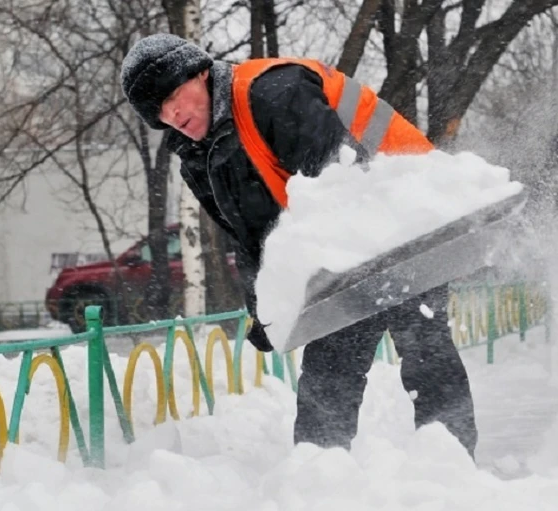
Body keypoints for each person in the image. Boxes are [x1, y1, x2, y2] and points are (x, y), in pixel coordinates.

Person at [120, 33, 478, 458]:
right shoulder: (202, 157)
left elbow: (341, 181)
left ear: (200, 73)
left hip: (404, 216)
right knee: (330, 372)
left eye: (173, 95)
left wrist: (320, 286)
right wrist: (265, 306)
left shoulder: (274, 92)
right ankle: (319, 476)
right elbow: (253, 234)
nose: (172, 113)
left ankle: (451, 464)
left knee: (422, 347)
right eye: (159, 111)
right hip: (344, 245)